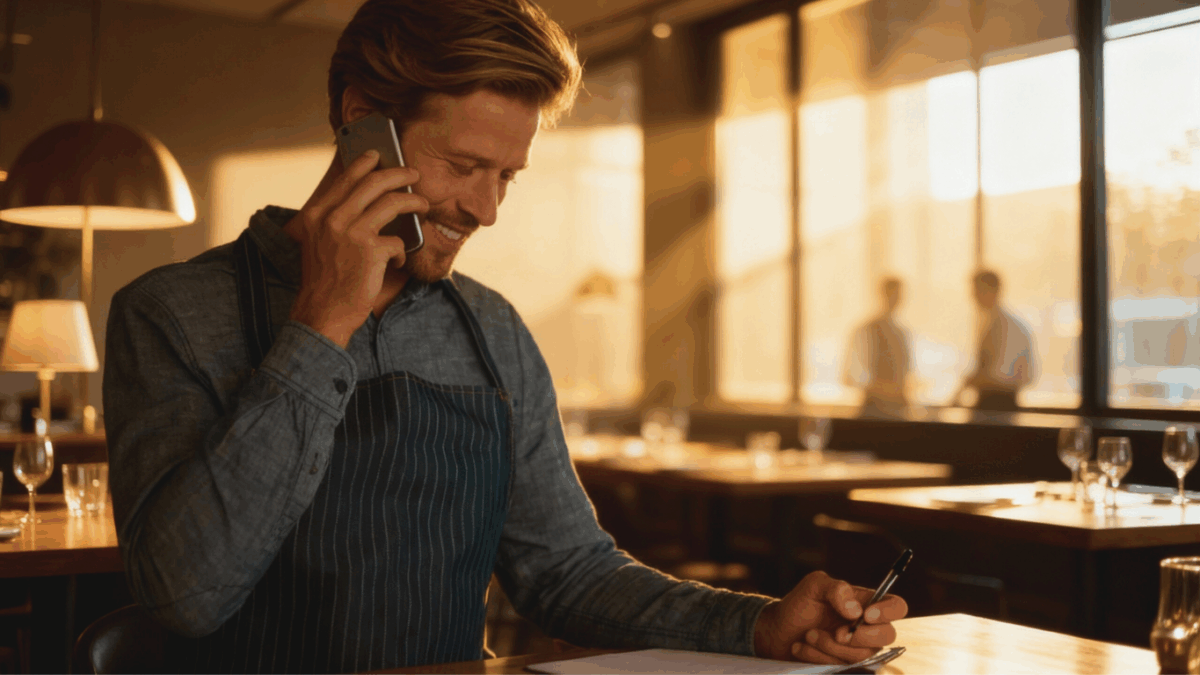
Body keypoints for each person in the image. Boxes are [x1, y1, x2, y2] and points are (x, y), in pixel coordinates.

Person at [102, 1, 906, 672]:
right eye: (462, 165)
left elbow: (569, 573)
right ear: (360, 122)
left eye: (507, 176)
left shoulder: (492, 331)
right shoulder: (169, 314)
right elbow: (185, 594)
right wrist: (320, 325)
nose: (486, 210)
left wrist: (760, 625)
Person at [954, 269, 1037, 411]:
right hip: (991, 402)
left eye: (978, 290)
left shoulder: (1006, 327)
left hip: (998, 404)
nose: (973, 296)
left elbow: (999, 375)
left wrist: (969, 383)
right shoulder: (993, 323)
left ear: (994, 290)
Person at [843, 277, 911, 417]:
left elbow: (906, 375)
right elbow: (850, 377)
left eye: (898, 295)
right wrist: (884, 390)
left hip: (899, 410)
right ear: (882, 295)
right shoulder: (866, 330)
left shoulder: (901, 333)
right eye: (892, 294)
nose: (896, 299)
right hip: (874, 410)